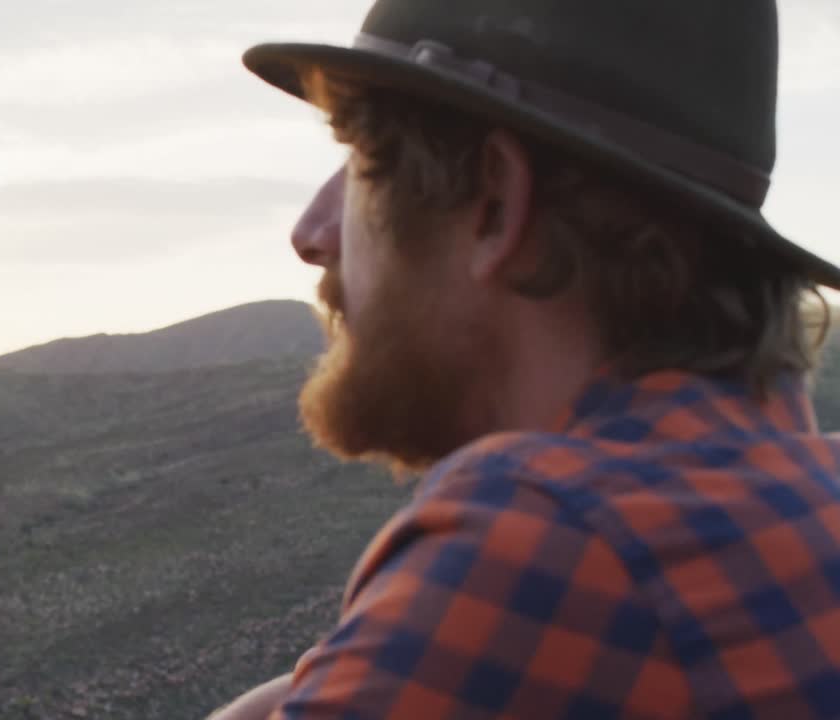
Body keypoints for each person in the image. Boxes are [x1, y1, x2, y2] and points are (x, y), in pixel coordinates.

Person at [211, 0, 840, 717]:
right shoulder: (795, 498)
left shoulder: (550, 534)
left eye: (360, 161)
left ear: (494, 204)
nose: (311, 232)